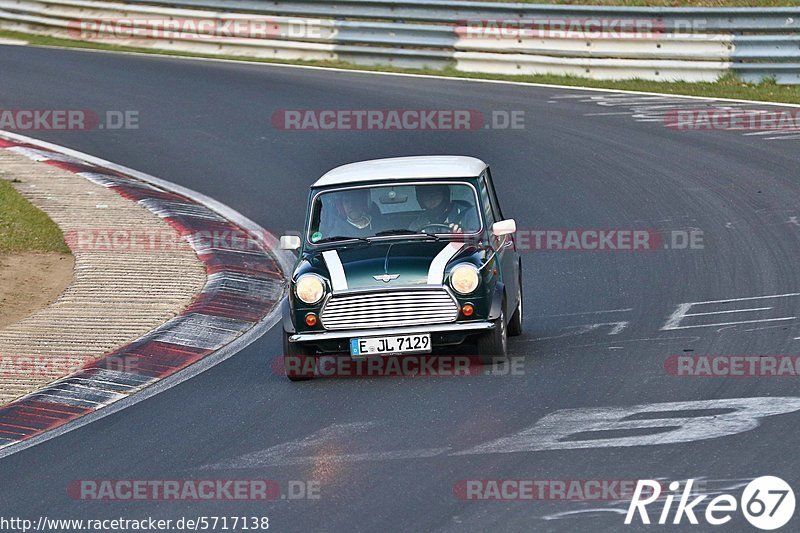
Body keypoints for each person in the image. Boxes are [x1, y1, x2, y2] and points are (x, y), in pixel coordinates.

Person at [409, 185, 478, 233]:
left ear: (445, 195)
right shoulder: (419, 222)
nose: (431, 200)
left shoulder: (468, 214)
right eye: (426, 196)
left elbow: (478, 242)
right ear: (421, 200)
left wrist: (463, 236)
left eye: (435, 195)